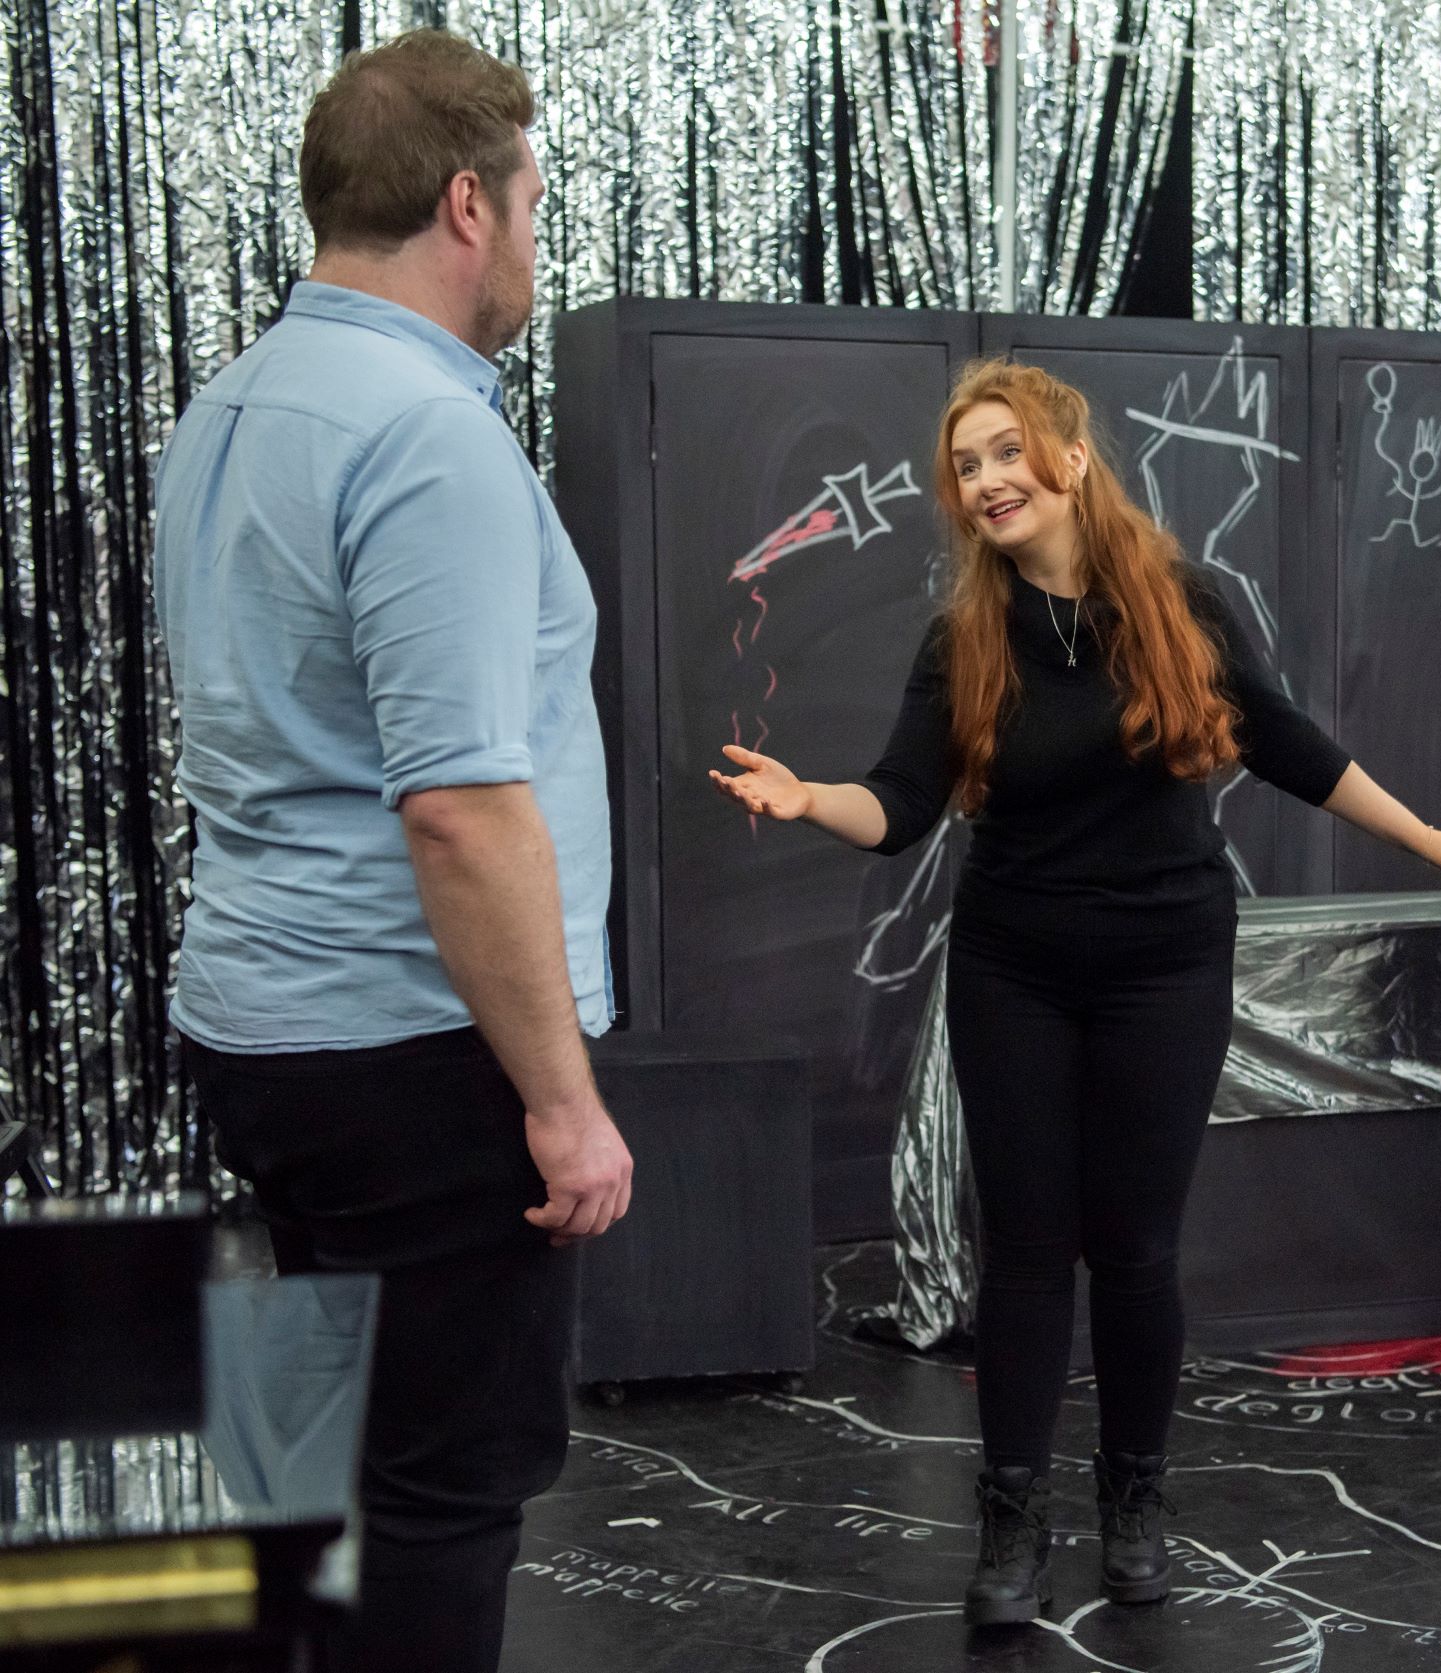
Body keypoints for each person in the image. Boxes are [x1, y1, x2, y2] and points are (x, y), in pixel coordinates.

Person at [710, 358, 1441, 1627]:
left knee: (1138, 1248)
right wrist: (810, 795)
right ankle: (1012, 1516)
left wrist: (1430, 838)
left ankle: (1135, 1499)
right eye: (964, 464)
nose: (983, 479)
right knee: (1029, 1251)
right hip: (1014, 964)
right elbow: (900, 806)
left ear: (1071, 457)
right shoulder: (965, 637)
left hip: (1165, 958)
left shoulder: (1180, 601)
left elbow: (1289, 741)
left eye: (1003, 452)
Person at [151, 32, 629, 1673]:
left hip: (269, 1037)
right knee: (443, 1496)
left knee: (321, 1496)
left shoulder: (231, 406)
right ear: (465, 205)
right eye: (533, 202)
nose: (533, 239)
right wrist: (561, 1102)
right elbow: (458, 803)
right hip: (414, 1055)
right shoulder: (425, 433)